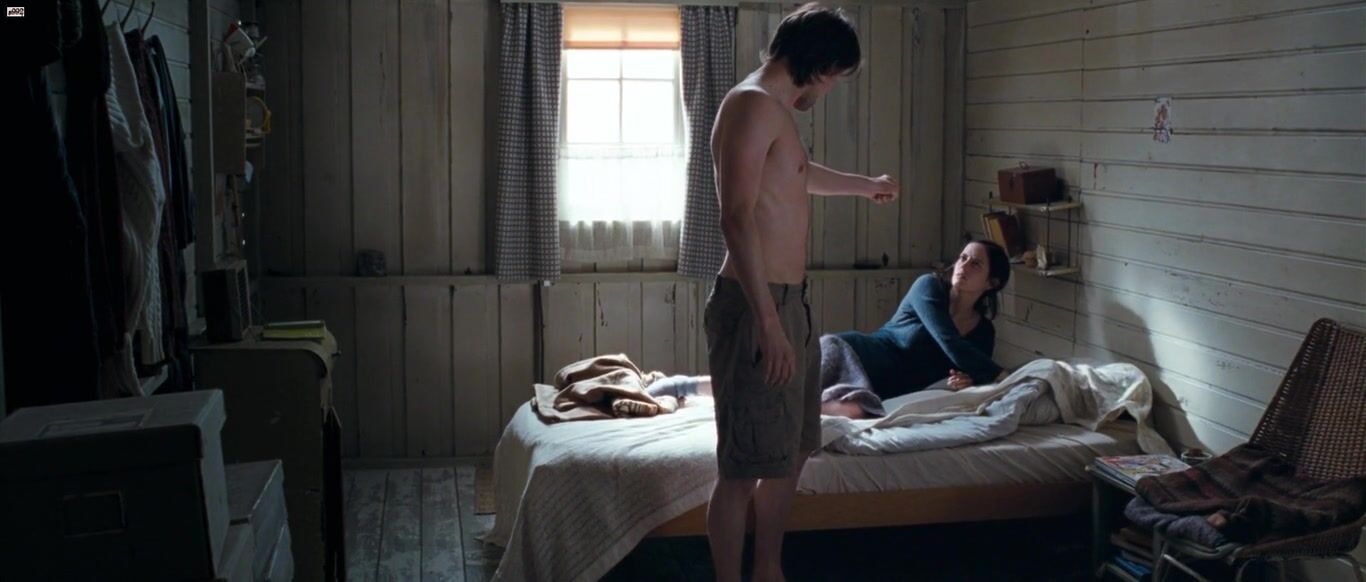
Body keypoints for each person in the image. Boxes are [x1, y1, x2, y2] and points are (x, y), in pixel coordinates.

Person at [702, 4, 898, 581]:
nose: (831, 88)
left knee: (792, 452)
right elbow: (735, 217)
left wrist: (866, 186)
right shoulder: (751, 104)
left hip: (791, 303)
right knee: (743, 468)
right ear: (819, 63)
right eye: (835, 76)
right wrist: (767, 322)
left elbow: (798, 175)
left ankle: (769, 569)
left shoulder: (776, 112)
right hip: (756, 305)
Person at [820, 240, 1012, 419]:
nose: (963, 265)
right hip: (852, 355)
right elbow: (949, 341)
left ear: (992, 283)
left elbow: (976, 374)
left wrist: (966, 380)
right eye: (963, 258)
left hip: (885, 390)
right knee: (810, 404)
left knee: (852, 412)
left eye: (975, 264)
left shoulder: (984, 332)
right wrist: (1004, 376)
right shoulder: (929, 287)